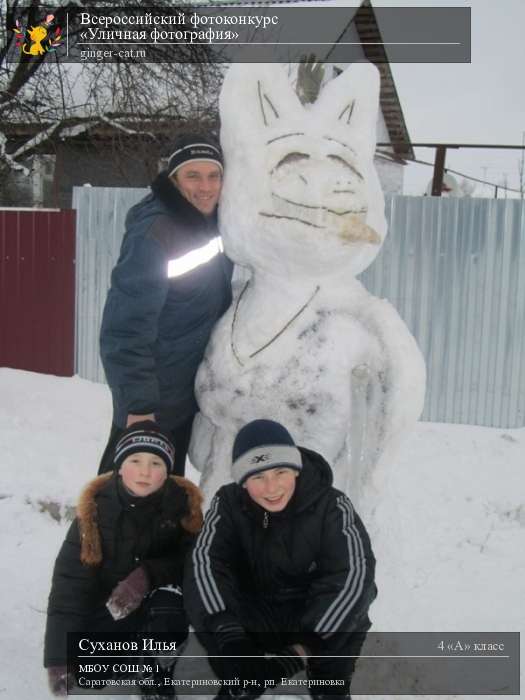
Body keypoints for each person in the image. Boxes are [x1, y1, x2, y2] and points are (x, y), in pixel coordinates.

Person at [184, 419, 377, 700]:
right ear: (243, 481)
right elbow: (204, 563)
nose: (271, 487)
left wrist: (302, 649)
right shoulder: (228, 502)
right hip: (257, 613)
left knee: (347, 621)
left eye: (280, 472)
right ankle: (240, 684)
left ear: (296, 470)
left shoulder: (332, 506)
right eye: (257, 477)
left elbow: (353, 576)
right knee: (230, 651)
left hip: (315, 615)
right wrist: (228, 633)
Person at [99, 133, 233, 476]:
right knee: (120, 502)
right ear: (173, 179)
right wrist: (139, 406)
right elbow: (124, 328)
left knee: (165, 503)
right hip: (153, 401)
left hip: (183, 394)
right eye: (193, 175)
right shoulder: (156, 232)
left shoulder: (211, 222)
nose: (205, 187)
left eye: (213, 175)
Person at [44, 421, 203, 698]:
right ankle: (135, 658)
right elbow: (69, 587)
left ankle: (156, 675)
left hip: (159, 605)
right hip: (113, 608)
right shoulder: (94, 513)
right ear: (119, 465)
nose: (144, 471)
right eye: (135, 460)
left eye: (156, 463)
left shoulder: (182, 507)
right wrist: (58, 659)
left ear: (167, 471)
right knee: (88, 672)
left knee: (168, 606)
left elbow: (192, 563)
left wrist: (147, 575)